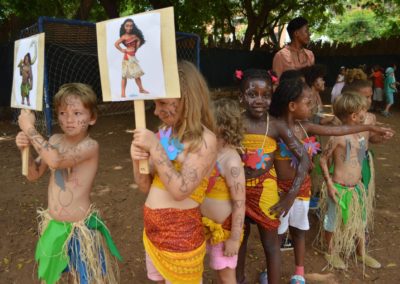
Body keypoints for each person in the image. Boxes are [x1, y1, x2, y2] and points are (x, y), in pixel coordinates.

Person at [270, 79, 393, 282]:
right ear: (292, 106)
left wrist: (373, 129)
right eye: (308, 103)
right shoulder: (275, 127)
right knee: (284, 233)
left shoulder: (308, 126)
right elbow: (323, 155)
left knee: (305, 230)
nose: (313, 107)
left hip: (309, 189)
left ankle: (302, 271)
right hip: (287, 190)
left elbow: (339, 130)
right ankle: (279, 268)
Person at [16, 83, 121, 283]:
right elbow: (34, 174)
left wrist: (29, 129)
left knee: (85, 278)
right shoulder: (54, 140)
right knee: (59, 276)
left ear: (92, 118)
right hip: (55, 227)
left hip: (80, 231)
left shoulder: (90, 146)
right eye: (63, 113)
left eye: (77, 113)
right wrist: (25, 151)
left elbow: (56, 160)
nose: (69, 119)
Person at [130, 61, 217, 284]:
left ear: (187, 99)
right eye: (155, 103)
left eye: (162, 103)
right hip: (153, 234)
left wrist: (156, 148)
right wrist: (136, 160)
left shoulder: (204, 140)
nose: (157, 111)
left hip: (181, 239)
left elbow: (181, 190)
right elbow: (145, 186)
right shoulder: (166, 133)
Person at [234, 69, 311, 284]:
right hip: (236, 191)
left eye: (265, 95)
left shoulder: (277, 126)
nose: (259, 100)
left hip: (265, 192)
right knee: (238, 240)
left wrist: (290, 196)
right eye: (252, 94)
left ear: (271, 96)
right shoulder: (233, 123)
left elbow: (304, 158)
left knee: (271, 244)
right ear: (241, 97)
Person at [319, 92, 388, 270]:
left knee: (360, 221)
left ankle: (361, 252)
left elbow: (364, 151)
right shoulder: (338, 136)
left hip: (357, 188)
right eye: (363, 110)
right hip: (339, 188)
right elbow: (323, 160)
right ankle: (330, 251)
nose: (367, 112)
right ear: (354, 115)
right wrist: (329, 184)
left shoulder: (361, 134)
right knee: (332, 221)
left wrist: (383, 136)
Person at [201, 98, 246, 284]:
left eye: (206, 121)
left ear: (221, 126)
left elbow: (239, 203)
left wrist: (235, 238)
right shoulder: (207, 152)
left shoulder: (231, 161)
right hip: (202, 226)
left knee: (225, 274)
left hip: (224, 230)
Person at [115, 18, 148, 98]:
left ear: (133, 26)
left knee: (137, 74)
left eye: (131, 26)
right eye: (127, 26)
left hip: (133, 56)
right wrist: (122, 50)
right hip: (127, 57)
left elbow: (138, 40)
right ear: (124, 27)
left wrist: (136, 48)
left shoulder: (134, 36)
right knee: (124, 75)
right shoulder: (124, 37)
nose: (129, 28)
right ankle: (123, 93)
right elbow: (116, 44)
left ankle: (141, 89)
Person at [18, 41, 37, 106]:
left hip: (26, 83)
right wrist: (20, 68)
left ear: (29, 60)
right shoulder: (23, 66)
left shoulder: (29, 68)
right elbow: (21, 74)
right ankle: (23, 100)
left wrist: (31, 85)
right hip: (22, 83)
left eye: (27, 59)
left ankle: (28, 101)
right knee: (22, 93)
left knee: (27, 94)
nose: (26, 60)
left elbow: (31, 77)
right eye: (25, 59)